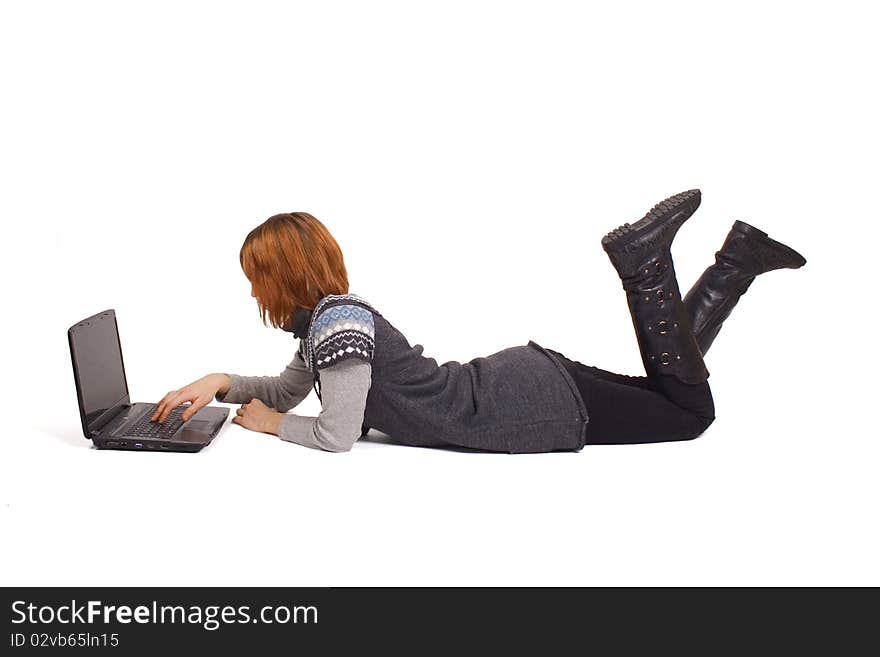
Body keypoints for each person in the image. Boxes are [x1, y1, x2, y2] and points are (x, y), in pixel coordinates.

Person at [151, 190, 806, 453]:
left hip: (528, 405)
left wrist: (270, 427)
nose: (252, 289)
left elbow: (335, 432)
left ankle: (649, 265)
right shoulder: (327, 323)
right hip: (525, 383)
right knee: (673, 393)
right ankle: (737, 261)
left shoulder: (337, 329)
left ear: (281, 277)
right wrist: (221, 383)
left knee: (690, 414)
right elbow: (288, 388)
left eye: (254, 277)